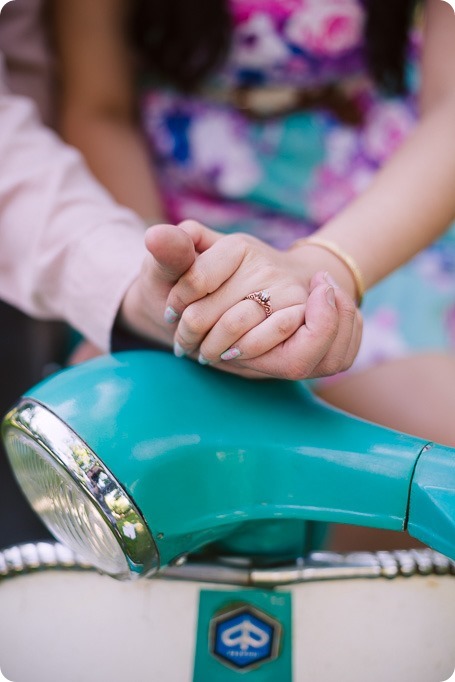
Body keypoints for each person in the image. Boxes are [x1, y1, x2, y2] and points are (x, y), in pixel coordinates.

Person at [50, 0, 455, 446]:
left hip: (391, 208)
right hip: (182, 210)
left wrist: (325, 266)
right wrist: (156, 276)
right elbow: (100, 110)